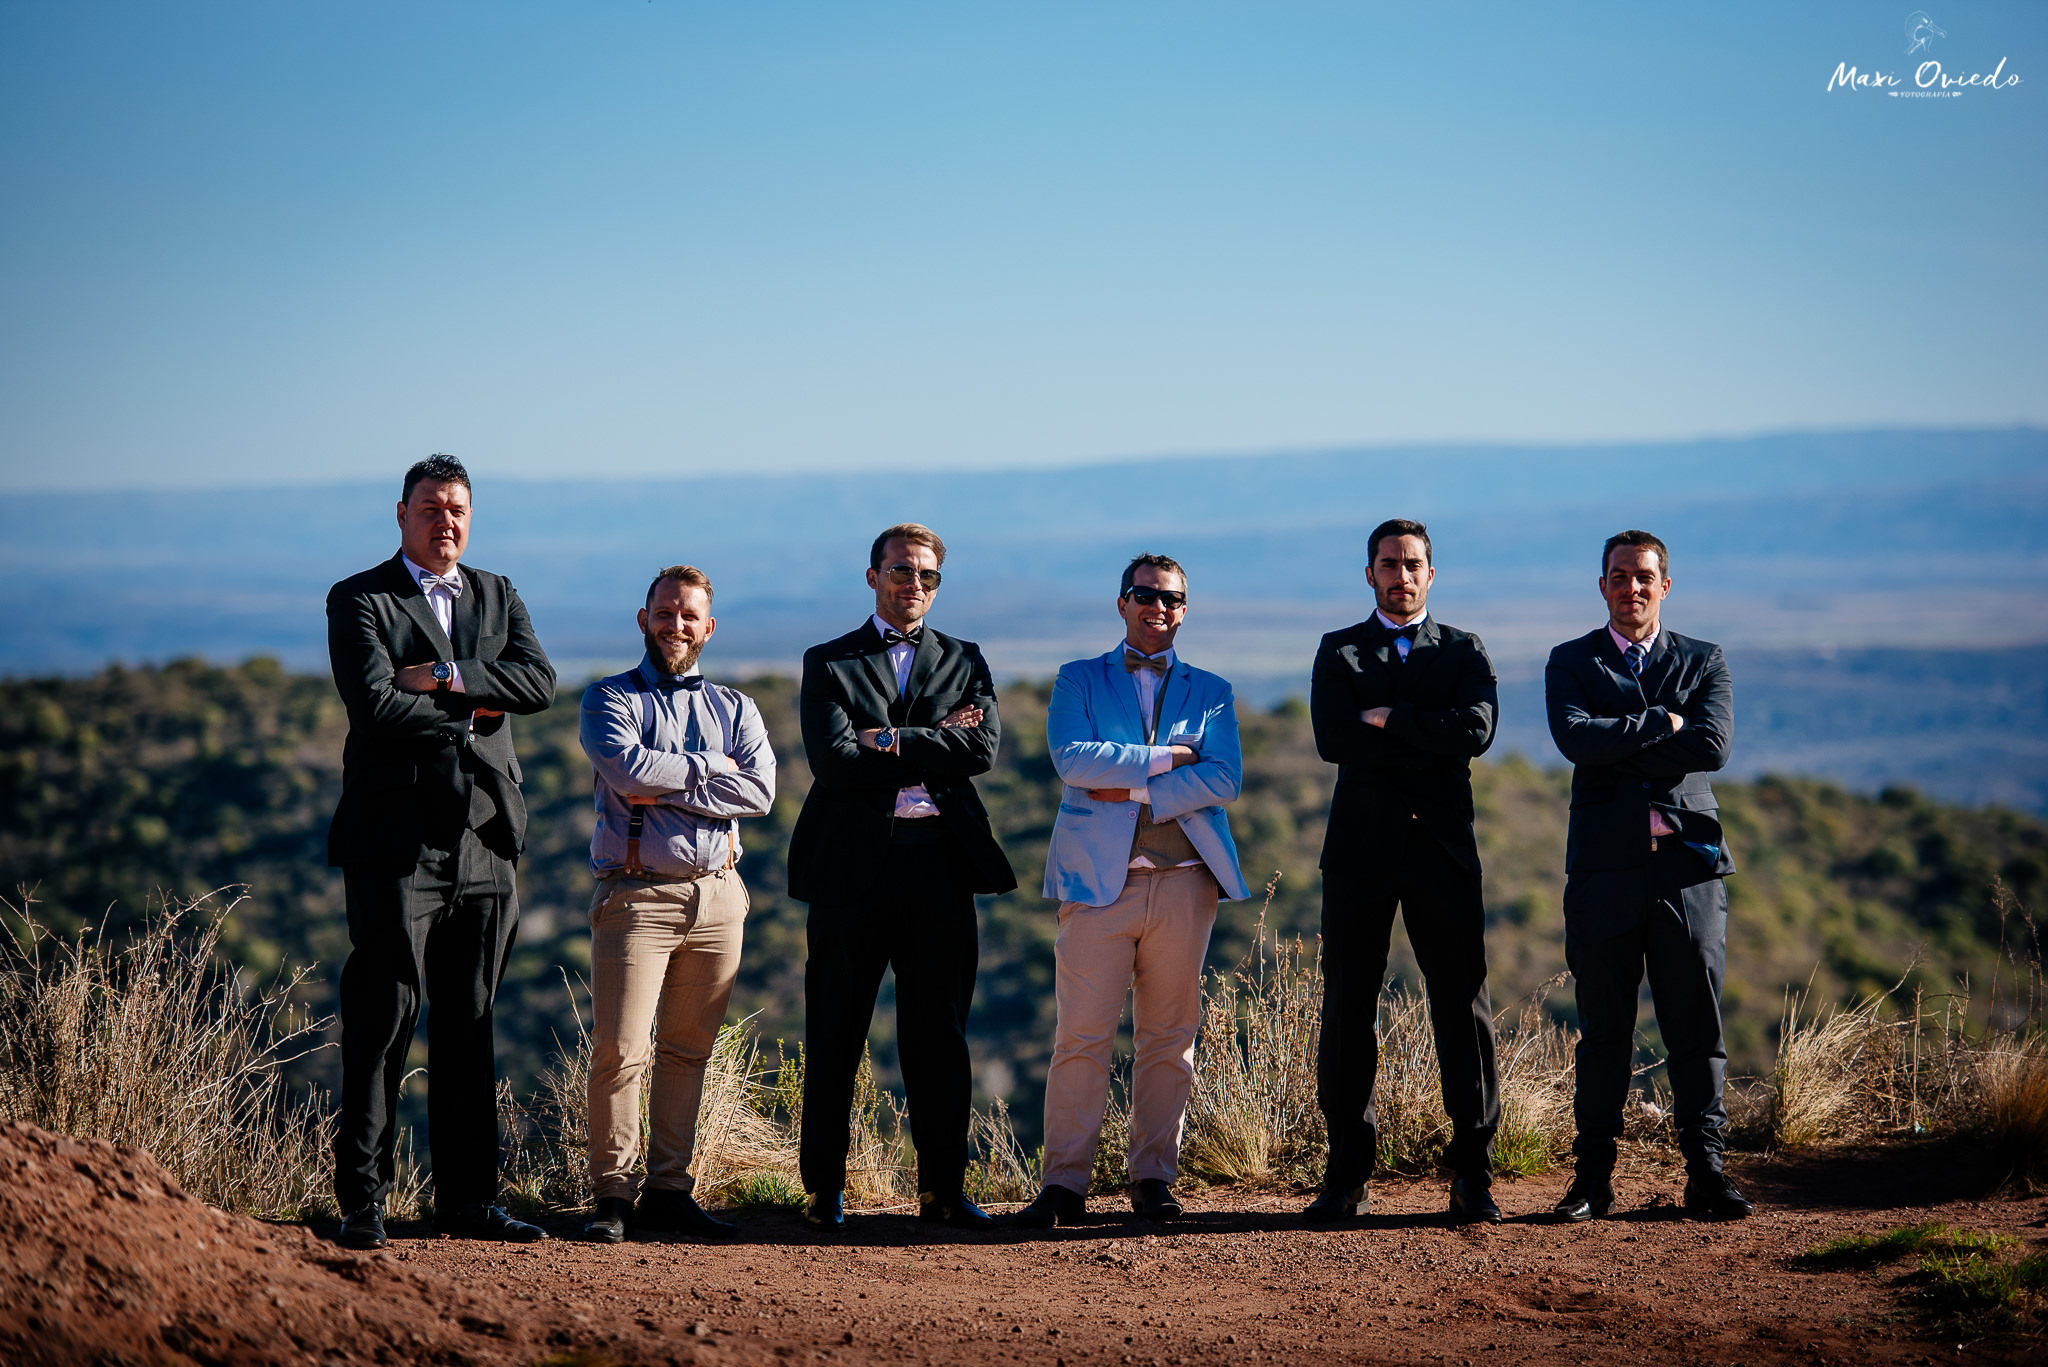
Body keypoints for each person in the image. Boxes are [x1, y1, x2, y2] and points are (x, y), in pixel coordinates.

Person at [325, 454, 556, 1249]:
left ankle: (469, 1202)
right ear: (401, 513)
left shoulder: (498, 591)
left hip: (487, 839)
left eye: (457, 508)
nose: (445, 520)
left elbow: (539, 682)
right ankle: (363, 1202)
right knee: (384, 1018)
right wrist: (477, 711)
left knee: (471, 1023)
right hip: (396, 845)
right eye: (430, 507)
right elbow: (378, 704)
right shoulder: (359, 597)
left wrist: (451, 676)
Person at [786, 523, 1017, 1232]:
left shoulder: (964, 656)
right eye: (899, 571)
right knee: (835, 1033)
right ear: (872, 576)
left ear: (936, 584)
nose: (911, 584)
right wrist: (933, 741)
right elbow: (832, 761)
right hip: (850, 869)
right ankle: (824, 1191)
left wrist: (885, 737)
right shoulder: (828, 661)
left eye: (924, 575)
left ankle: (943, 1191)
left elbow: (979, 748)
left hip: (941, 864)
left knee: (939, 1037)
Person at [1015, 554, 1247, 1229]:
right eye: (1145, 595)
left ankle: (1153, 1177)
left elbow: (1226, 778)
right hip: (1096, 883)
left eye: (1171, 598)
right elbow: (1072, 760)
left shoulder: (1214, 690)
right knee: (1081, 1037)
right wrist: (1172, 763)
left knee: (1170, 1037)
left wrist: (1134, 783)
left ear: (1184, 607)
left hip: (1184, 884)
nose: (1158, 607)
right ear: (1122, 602)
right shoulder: (1076, 678)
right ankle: (1064, 1184)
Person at [1545, 530, 1750, 1222]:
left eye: (1643, 577)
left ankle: (1708, 1173)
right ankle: (1592, 1180)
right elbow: (1576, 739)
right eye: (1618, 576)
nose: (1630, 587)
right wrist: (1661, 724)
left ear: (1666, 585)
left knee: (1696, 1025)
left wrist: (1620, 738)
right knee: (1604, 1030)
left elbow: (1713, 746)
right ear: (1601, 585)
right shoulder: (1570, 660)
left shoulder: (1705, 659)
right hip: (1604, 871)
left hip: (1689, 870)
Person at [1303, 519, 1503, 1225]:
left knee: (1462, 1003)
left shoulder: (1463, 649)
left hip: (1442, 854)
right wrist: (1430, 733)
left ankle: (1473, 1171)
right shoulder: (1339, 651)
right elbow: (1335, 738)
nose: (1401, 574)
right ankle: (1347, 1171)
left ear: (1431, 573)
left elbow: (1476, 730)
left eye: (1413, 563)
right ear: (1369, 573)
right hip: (1358, 854)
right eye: (1389, 563)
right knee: (1348, 1006)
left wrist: (1394, 720)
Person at [575, 565, 777, 1243]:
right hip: (636, 897)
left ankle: (669, 1189)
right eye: (665, 613)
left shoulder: (736, 707)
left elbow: (761, 793)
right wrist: (713, 769)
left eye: (689, 615)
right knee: (621, 1050)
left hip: (720, 896)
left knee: (689, 1050)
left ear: (708, 627)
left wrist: (670, 780)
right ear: (643, 618)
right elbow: (628, 773)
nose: (676, 625)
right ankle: (612, 1194)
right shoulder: (610, 699)